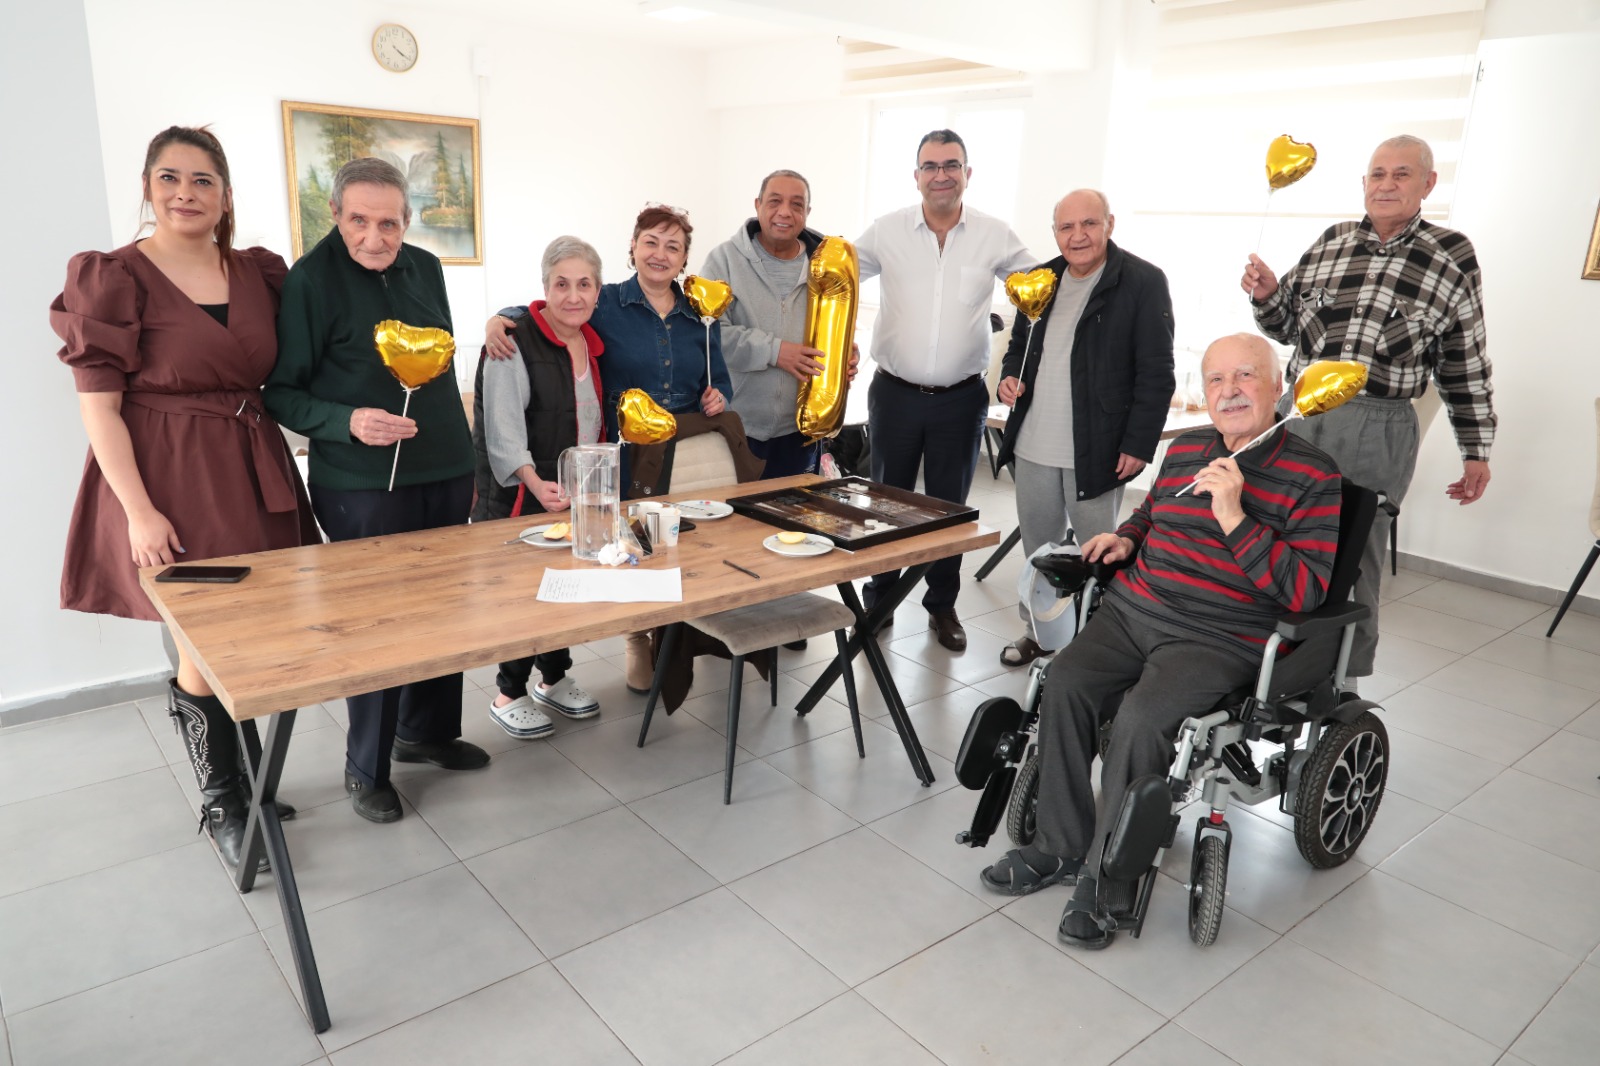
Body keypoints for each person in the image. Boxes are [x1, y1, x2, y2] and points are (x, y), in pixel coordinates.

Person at [978, 334, 1341, 951]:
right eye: (1217, 379)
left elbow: (1305, 590)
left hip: (1218, 634)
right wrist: (1126, 538)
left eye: (1246, 376)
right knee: (1063, 683)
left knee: (1141, 721)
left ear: (1279, 386)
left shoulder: (1313, 475)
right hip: (1133, 611)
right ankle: (1059, 846)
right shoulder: (1187, 449)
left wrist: (1234, 514)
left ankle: (1109, 879)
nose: (1230, 391)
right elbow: (1154, 514)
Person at [50, 126, 319, 867]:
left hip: (253, 464)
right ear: (147, 187)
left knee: (255, 629)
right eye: (168, 177)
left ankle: (253, 781)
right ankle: (223, 798)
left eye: (203, 180)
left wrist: (506, 321)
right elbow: (100, 410)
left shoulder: (258, 272)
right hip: (169, 471)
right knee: (203, 635)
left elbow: (326, 325)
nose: (185, 193)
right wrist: (138, 511)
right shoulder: (114, 276)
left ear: (226, 195)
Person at [264, 157, 486, 825]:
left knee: (443, 613)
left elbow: (440, 357)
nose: (374, 236)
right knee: (377, 627)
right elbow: (282, 393)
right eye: (359, 220)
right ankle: (366, 768)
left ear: (407, 221)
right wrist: (348, 422)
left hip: (446, 469)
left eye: (388, 223)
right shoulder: (309, 281)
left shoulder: (427, 267)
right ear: (334, 214)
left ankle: (426, 733)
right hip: (362, 484)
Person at [1241, 133, 1494, 683]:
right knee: (1267, 538)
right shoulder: (1331, 241)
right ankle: (1258, 666)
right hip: (1298, 415)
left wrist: (1476, 450)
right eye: (1378, 174)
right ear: (1363, 183)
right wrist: (1266, 296)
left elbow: (1464, 362)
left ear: (1428, 184)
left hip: (1376, 426)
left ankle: (1340, 688)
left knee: (1353, 556)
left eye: (1402, 174)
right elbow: (1285, 326)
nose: (1386, 185)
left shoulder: (1451, 256)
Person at [486, 204, 735, 691]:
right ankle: (636, 638)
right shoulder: (606, 303)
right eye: (651, 242)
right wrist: (501, 318)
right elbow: (554, 310)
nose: (660, 254)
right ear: (633, 247)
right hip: (625, 458)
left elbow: (720, 377)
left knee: (679, 551)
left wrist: (719, 394)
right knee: (634, 551)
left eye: (673, 246)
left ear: (684, 258)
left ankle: (682, 637)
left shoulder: (701, 315)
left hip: (687, 457)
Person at [856, 129, 1034, 651]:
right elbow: (833, 282)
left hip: (961, 398)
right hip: (894, 393)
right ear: (916, 176)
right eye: (930, 166)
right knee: (885, 502)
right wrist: (837, 343)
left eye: (951, 165)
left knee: (949, 508)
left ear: (967, 174)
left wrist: (1017, 357)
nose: (941, 175)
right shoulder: (886, 230)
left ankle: (941, 606)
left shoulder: (994, 234)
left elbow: (1042, 291)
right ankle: (880, 599)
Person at [994, 189, 1175, 667]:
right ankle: (1038, 633)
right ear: (1054, 233)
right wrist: (1010, 377)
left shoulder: (1142, 281)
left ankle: (1097, 648)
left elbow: (1157, 372)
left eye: (1089, 224)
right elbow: (1019, 346)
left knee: (1099, 556)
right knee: (1039, 554)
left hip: (1097, 448)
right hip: (1034, 443)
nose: (1078, 236)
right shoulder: (1040, 279)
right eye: (1067, 227)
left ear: (1109, 224)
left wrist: (1139, 443)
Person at [472, 236, 607, 737]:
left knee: (562, 587)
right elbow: (503, 432)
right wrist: (536, 482)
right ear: (545, 287)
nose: (573, 296)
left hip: (570, 493)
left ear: (598, 290)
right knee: (523, 595)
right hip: (520, 494)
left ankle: (553, 677)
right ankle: (508, 693)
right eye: (561, 284)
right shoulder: (511, 342)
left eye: (584, 284)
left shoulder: (592, 342)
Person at [700, 169, 828, 478]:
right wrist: (775, 351)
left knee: (796, 509)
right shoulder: (723, 260)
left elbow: (831, 329)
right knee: (733, 511)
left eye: (796, 204)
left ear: (807, 212)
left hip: (801, 432)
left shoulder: (826, 265)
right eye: (775, 201)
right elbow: (710, 334)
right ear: (758, 205)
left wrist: (844, 354)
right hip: (735, 426)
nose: (785, 212)